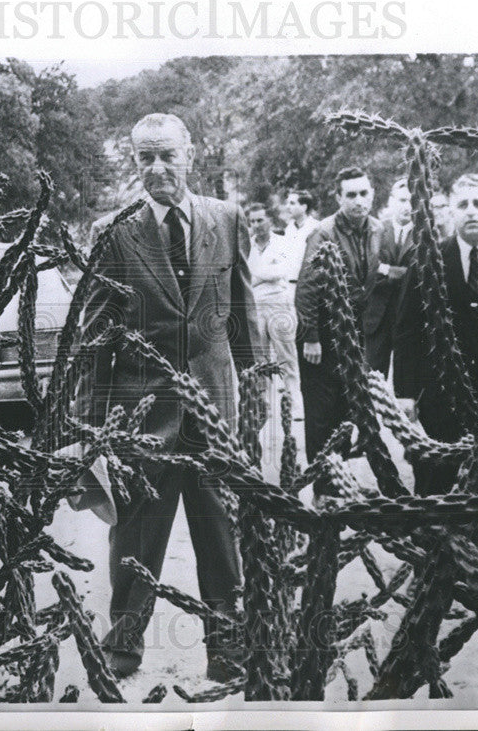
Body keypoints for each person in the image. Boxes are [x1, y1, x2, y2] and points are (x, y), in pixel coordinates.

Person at [73, 113, 259, 682]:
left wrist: (251, 404)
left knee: (221, 537)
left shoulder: (225, 220)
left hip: (213, 419)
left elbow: (244, 323)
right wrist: (90, 432)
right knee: (135, 535)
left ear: (190, 154)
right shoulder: (113, 231)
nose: (157, 169)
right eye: (144, 158)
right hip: (140, 419)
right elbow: (94, 338)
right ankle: (124, 644)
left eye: (167, 156)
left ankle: (226, 647)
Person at [392, 173, 478, 574]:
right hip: (442, 398)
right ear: (450, 211)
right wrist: (406, 393)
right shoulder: (428, 263)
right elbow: (406, 331)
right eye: (463, 205)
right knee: (437, 484)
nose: (471, 212)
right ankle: (434, 575)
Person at [294, 166, 382, 472]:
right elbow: (306, 286)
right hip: (320, 331)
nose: (359, 200)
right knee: (321, 412)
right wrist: (310, 336)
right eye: (351, 195)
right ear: (338, 197)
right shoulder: (323, 232)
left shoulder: (377, 229)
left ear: (372, 194)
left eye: (364, 193)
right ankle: (323, 484)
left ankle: (340, 478)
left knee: (347, 405)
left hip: (352, 332)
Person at [245, 202, 302, 422]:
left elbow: (283, 271)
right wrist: (263, 275)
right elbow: (243, 275)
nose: (256, 225)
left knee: (286, 356)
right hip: (256, 306)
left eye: (260, 220)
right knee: (260, 358)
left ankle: (295, 402)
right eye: (252, 221)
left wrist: (257, 276)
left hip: (280, 304)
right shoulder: (246, 246)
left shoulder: (283, 243)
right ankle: (264, 405)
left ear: (269, 220)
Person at [364, 178, 415, 375]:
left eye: (412, 201)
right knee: (372, 378)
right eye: (402, 200)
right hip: (377, 315)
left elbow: (418, 273)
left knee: (407, 377)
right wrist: (394, 271)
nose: (407, 207)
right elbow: (368, 268)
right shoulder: (375, 230)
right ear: (391, 201)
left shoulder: (424, 233)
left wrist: (384, 269)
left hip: (409, 314)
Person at [281, 189, 320, 291]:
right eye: (287, 203)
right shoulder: (289, 229)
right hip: (288, 285)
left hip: (309, 287)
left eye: (292, 203)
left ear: (304, 207)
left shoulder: (316, 228)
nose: (287, 207)